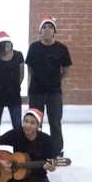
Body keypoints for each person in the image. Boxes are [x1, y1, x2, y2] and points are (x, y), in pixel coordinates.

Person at [26, 16, 72, 155]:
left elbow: (66, 70)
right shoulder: (34, 47)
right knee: (35, 122)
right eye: (44, 27)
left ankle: (56, 150)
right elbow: (30, 69)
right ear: (40, 31)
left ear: (54, 31)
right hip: (36, 91)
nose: (47, 29)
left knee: (55, 122)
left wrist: (55, 80)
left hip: (54, 93)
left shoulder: (62, 48)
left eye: (50, 27)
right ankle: (35, 149)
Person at [0, 31, 24, 134]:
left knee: (17, 124)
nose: (7, 46)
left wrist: (14, 87)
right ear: (0, 46)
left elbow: (21, 75)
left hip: (14, 94)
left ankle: (19, 148)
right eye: (5, 44)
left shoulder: (18, 55)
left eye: (9, 44)